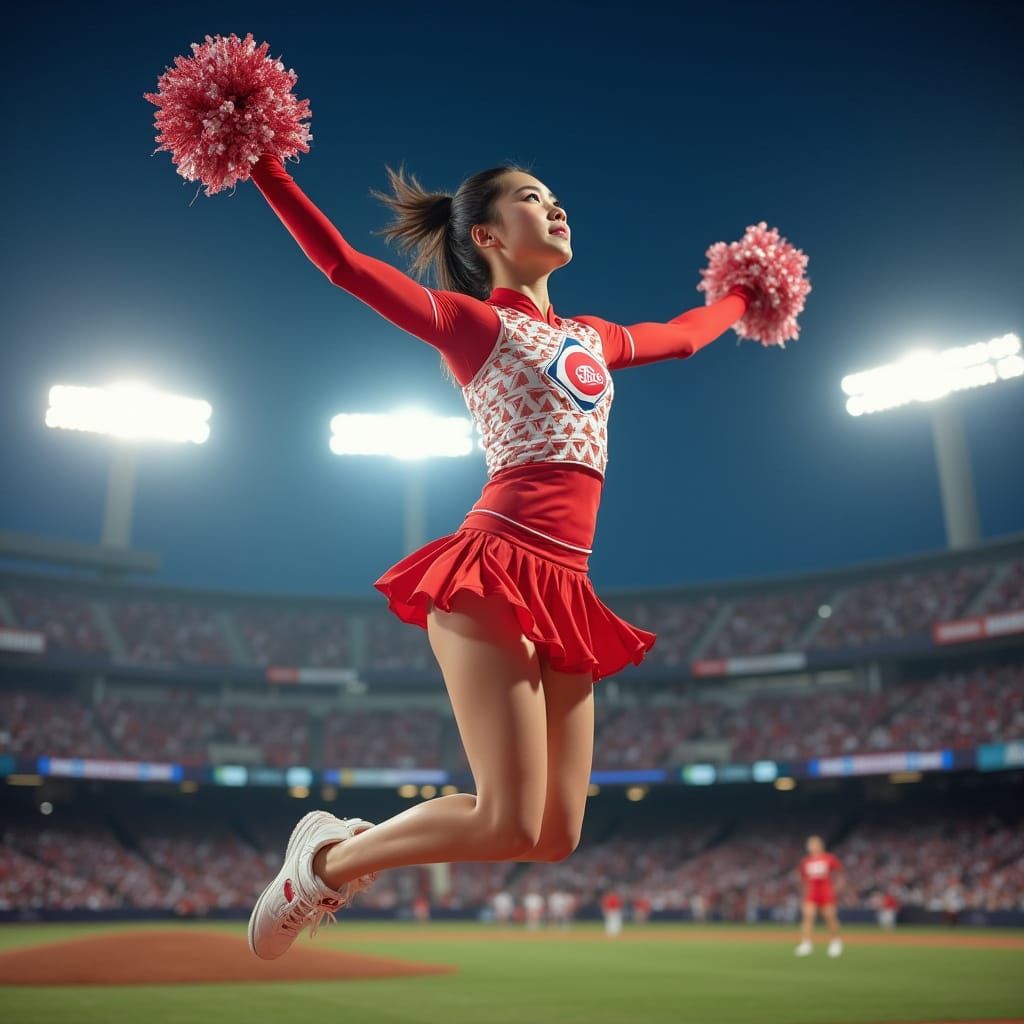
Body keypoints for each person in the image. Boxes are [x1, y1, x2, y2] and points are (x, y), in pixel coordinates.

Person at [244, 152, 753, 960]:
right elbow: (344, 266)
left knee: (551, 835)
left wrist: (746, 292)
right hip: (495, 567)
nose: (556, 208)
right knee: (505, 817)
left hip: (568, 588)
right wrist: (262, 161)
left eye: (555, 197)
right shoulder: (475, 325)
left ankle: (338, 849)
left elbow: (685, 339)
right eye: (531, 198)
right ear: (486, 235)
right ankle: (322, 867)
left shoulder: (589, 337)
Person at [795, 835, 844, 958]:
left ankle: (835, 942)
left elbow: (841, 873)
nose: (812, 847)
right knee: (807, 917)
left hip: (826, 892)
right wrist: (804, 892)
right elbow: (801, 879)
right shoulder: (805, 861)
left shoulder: (829, 858)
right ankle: (806, 944)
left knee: (830, 918)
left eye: (814, 844)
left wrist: (837, 889)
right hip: (812, 893)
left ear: (821, 845)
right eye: (810, 844)